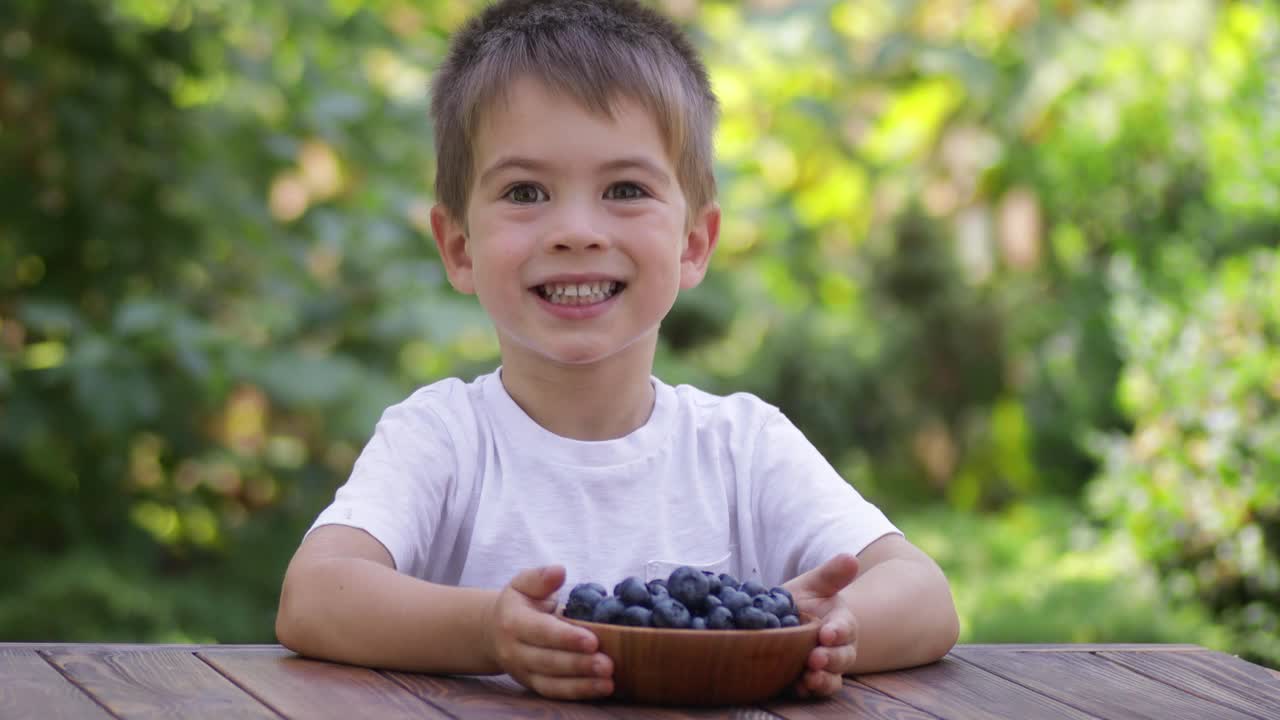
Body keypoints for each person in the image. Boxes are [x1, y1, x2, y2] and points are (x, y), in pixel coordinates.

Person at [275, 0, 959, 701]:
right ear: (459, 247)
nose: (576, 230)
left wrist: (821, 629)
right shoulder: (444, 439)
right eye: (526, 191)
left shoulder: (742, 446)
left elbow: (925, 595)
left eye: (625, 189)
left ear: (694, 243)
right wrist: (490, 633)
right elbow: (316, 594)